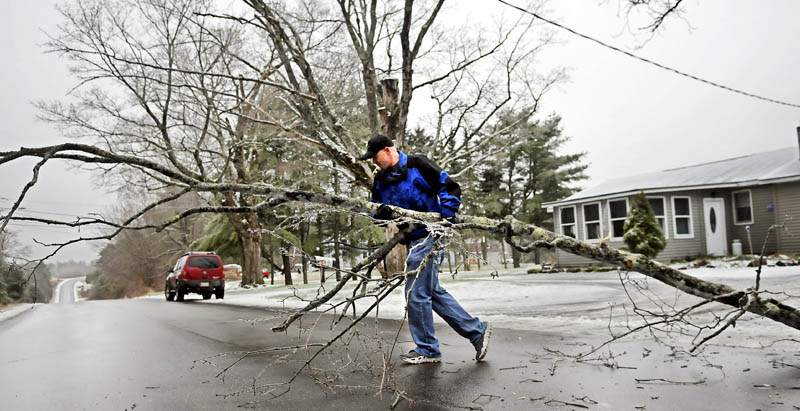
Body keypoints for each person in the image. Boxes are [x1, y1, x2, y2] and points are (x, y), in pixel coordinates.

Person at [360, 133, 491, 364]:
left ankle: (428, 349)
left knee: (415, 293)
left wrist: (447, 214)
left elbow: (449, 186)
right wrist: (379, 214)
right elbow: (376, 211)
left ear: (388, 150)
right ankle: (477, 331)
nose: (373, 162)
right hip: (412, 239)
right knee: (431, 292)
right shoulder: (381, 179)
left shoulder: (418, 164)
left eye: (375, 156)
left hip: (432, 234)